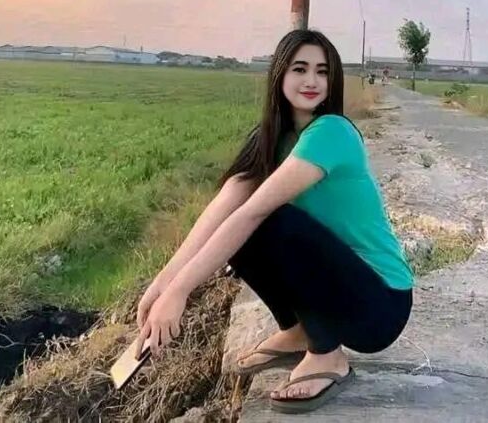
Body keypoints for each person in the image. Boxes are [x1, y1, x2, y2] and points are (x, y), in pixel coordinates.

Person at [135, 29, 414, 414]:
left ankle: (327, 356)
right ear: (280, 74)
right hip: (340, 287)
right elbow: (223, 206)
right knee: (243, 227)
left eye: (322, 71)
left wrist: (181, 292)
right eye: (300, 69)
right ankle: (298, 331)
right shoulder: (272, 139)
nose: (312, 81)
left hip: (379, 303)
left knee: (266, 220)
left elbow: (253, 213)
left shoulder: (331, 132)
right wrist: (163, 284)